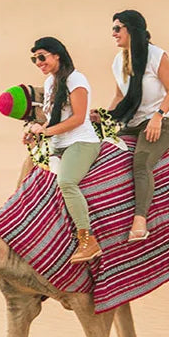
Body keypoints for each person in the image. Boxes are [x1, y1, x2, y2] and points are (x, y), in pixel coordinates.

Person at [103, 9, 169, 241]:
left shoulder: (157, 56)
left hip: (160, 121)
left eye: (118, 28)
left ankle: (140, 220)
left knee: (141, 161)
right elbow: (119, 96)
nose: (113, 33)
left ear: (131, 30)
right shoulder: (118, 62)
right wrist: (106, 119)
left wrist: (157, 117)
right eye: (113, 29)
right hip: (132, 122)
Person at [28, 36, 102, 263]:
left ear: (56, 54)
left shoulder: (76, 80)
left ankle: (88, 241)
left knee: (66, 182)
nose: (39, 62)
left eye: (42, 57)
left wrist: (47, 132)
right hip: (58, 145)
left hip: (81, 142)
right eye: (34, 59)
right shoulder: (51, 83)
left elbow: (79, 118)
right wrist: (36, 129)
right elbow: (53, 120)